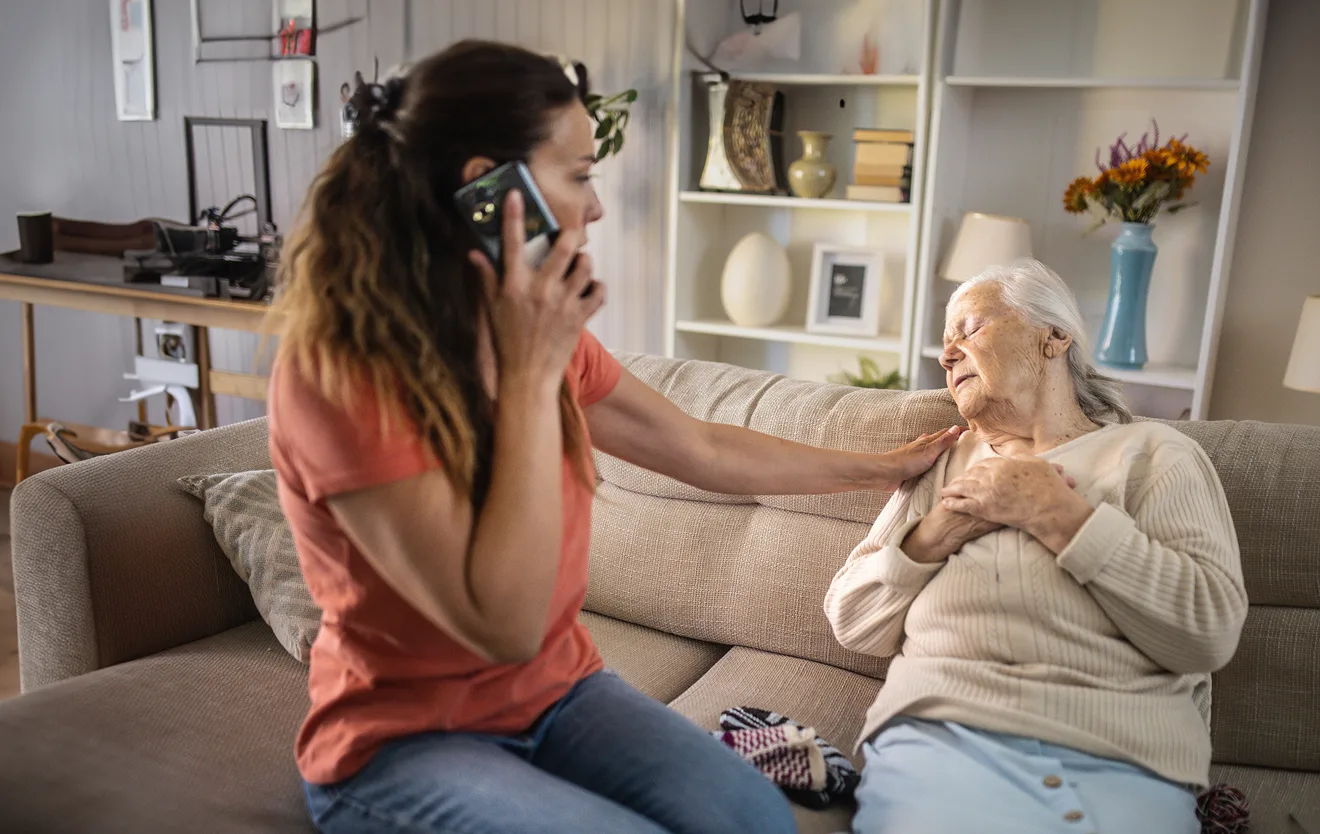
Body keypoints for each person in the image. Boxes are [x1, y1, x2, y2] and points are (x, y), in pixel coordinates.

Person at [266, 40, 962, 834]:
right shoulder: (343, 375)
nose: (596, 208)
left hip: (556, 694)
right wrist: (531, 377)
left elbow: (703, 448)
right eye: (580, 176)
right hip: (403, 745)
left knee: (757, 822)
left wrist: (883, 468)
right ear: (490, 195)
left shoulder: (537, 330)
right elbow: (505, 623)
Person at [825, 259, 1248, 834]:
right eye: (944, 343)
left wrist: (1059, 515)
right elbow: (853, 620)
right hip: (940, 740)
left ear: (1055, 336)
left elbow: (1207, 630)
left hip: (1121, 756)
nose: (946, 355)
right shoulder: (943, 463)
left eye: (969, 328)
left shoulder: (1155, 454)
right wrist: (939, 530)